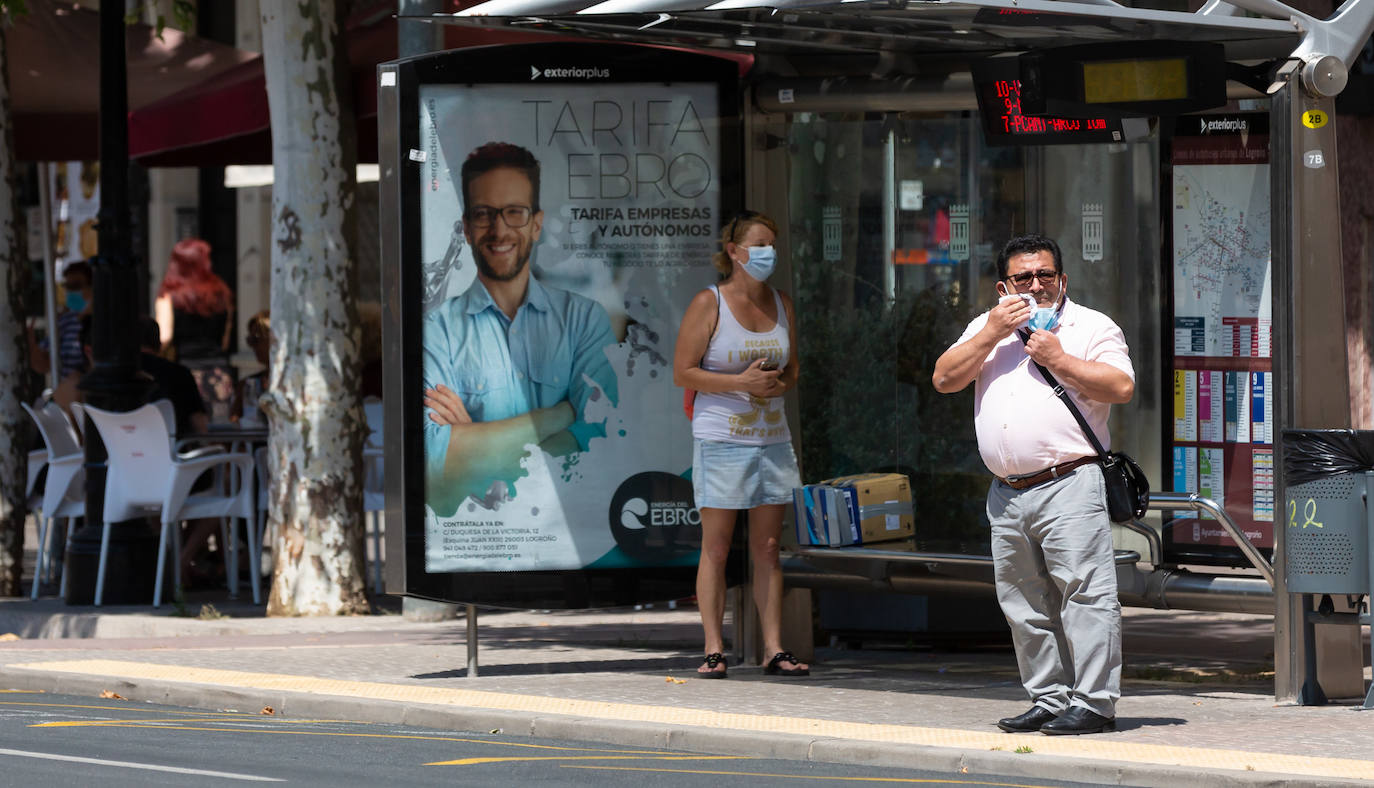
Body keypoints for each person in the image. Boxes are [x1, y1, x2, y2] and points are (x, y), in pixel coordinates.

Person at [931, 233, 1135, 736]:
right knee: (1022, 603)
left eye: (1046, 275)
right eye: (1024, 277)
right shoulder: (987, 326)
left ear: (1062, 280)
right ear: (1004, 286)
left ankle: (1094, 703)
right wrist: (989, 334)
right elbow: (943, 378)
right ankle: (1048, 697)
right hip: (1006, 491)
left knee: (1087, 597)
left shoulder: (1091, 325)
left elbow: (1122, 386)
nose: (1037, 285)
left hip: (1070, 481)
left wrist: (1059, 359)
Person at [422, 142, 617, 515]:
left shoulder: (583, 320)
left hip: (573, 532)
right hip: (476, 546)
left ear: (537, 224)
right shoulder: (437, 330)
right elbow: (438, 463)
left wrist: (473, 444)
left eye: (514, 212)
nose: (499, 229)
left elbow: (601, 436)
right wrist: (558, 416)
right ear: (465, 228)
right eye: (483, 214)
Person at [672, 210, 808, 680]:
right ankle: (713, 648)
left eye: (774, 243)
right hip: (722, 441)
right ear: (734, 251)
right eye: (760, 244)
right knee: (717, 547)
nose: (770, 252)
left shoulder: (782, 303)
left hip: (772, 440)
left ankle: (774, 648)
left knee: (769, 548)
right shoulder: (709, 304)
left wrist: (778, 385)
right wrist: (739, 383)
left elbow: (792, 370)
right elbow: (682, 372)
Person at [155, 238, 236, 424]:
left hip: (185, 373)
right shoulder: (222, 293)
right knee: (220, 430)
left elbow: (164, 336)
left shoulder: (169, 295)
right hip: (218, 373)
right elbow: (225, 339)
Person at [231, 310, 271, 425]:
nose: (252, 346)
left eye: (256, 339)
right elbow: (234, 427)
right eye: (250, 340)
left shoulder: (299, 384)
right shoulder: (247, 384)